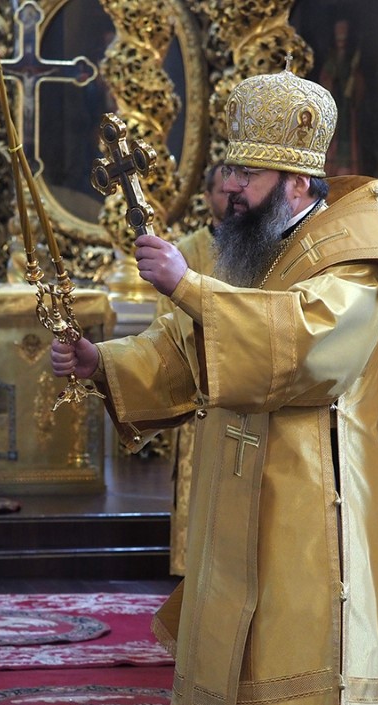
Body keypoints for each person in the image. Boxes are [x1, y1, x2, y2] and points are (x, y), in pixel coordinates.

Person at [52, 66, 378, 705]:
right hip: (231, 504)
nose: (227, 185)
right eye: (226, 167)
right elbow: (181, 351)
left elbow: (311, 351)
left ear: (294, 183)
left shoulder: (355, 253)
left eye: (245, 173)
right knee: (230, 656)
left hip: (308, 517)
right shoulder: (244, 249)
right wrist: (102, 363)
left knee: (288, 664)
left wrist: (189, 287)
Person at [157, 162, 227, 576]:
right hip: (200, 389)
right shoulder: (184, 251)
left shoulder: (262, 246)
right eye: (222, 189)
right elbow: (165, 325)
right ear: (206, 197)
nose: (232, 196)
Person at [317, 19, 364, 175]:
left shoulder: (352, 60)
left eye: (344, 38)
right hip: (334, 106)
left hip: (348, 110)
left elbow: (359, 85)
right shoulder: (331, 60)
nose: (341, 42)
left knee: (347, 142)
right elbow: (325, 81)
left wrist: (353, 84)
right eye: (338, 39)